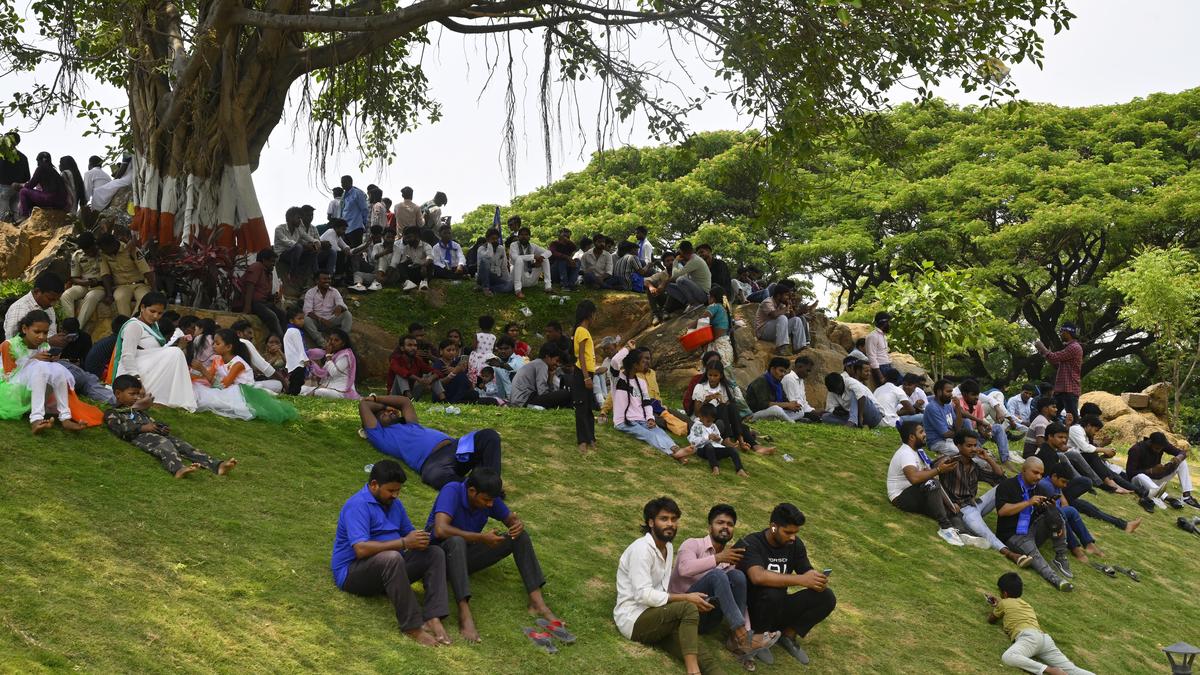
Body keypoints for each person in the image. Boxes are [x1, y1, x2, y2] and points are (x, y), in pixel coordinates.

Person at [426, 468, 559, 643]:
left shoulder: (489, 498)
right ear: (472, 491)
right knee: (456, 541)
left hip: (465, 556)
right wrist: (481, 538)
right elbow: (440, 529)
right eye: (486, 500)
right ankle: (464, 612)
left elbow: (510, 518)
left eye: (492, 501)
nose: (490, 505)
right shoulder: (452, 490)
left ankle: (536, 602)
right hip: (438, 560)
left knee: (519, 536)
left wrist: (517, 524)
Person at [330, 459, 451, 648]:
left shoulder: (395, 504)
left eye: (398, 490)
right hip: (353, 573)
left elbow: (408, 533)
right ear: (373, 485)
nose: (395, 495)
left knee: (434, 552)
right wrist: (404, 542)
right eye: (391, 490)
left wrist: (420, 539)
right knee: (392, 557)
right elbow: (360, 549)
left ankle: (433, 616)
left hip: (388, 570)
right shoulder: (358, 505)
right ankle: (412, 626)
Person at [614, 497, 724, 675]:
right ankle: (693, 671)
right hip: (633, 619)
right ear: (651, 522)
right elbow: (643, 595)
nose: (670, 524)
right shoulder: (641, 550)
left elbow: (662, 590)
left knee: (702, 655)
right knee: (687, 608)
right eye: (664, 519)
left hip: (658, 615)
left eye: (674, 519)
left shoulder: (668, 547)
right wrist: (686, 598)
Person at [669, 504, 780, 664]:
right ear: (709, 527)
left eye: (730, 524)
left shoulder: (730, 558)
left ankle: (740, 637)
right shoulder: (692, 544)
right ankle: (743, 638)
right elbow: (684, 569)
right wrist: (718, 558)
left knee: (737, 575)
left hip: (706, 621)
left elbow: (739, 599)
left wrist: (748, 627)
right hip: (681, 613)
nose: (725, 527)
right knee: (717, 574)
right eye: (720, 523)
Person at [736, 503, 836, 667]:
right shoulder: (753, 543)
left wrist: (816, 579)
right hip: (752, 611)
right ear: (773, 527)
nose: (792, 537)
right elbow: (757, 577)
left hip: (777, 606)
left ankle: (787, 636)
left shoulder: (794, 544)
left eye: (796, 532)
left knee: (826, 597)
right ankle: (758, 638)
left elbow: (806, 570)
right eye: (788, 532)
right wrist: (801, 580)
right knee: (772, 592)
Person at [358, 394, 503, 490]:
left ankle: (492, 484)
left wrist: (377, 398)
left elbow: (405, 402)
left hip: (456, 447)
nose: (389, 412)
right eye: (383, 414)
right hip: (433, 462)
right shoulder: (380, 436)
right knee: (433, 476)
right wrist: (384, 406)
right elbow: (364, 405)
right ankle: (480, 487)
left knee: (489, 436)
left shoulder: (410, 424)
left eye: (390, 411)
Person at [104, 375, 237, 478]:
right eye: (132, 394)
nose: (137, 397)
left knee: (184, 445)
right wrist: (143, 428)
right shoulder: (113, 413)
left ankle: (217, 465)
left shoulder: (139, 411)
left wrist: (160, 428)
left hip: (154, 434)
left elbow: (152, 422)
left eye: (138, 394)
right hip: (139, 437)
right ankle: (178, 469)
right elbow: (119, 430)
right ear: (118, 394)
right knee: (164, 444)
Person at [939, 430, 1033, 567]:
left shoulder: (974, 466)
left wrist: (988, 458)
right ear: (958, 446)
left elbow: (1000, 476)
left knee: (1003, 486)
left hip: (975, 504)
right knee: (986, 533)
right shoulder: (949, 461)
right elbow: (933, 471)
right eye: (969, 446)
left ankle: (1016, 525)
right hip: (963, 510)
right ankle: (1011, 554)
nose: (973, 449)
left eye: (975, 445)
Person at [0, 310, 99, 432]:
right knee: (40, 367)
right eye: (37, 332)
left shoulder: (44, 346)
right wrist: (32, 361)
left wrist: (51, 362)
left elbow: (47, 372)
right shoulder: (9, 345)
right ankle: (36, 419)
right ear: (25, 329)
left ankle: (65, 418)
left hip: (36, 387)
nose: (41, 336)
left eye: (45, 332)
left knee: (57, 368)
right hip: (11, 390)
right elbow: (8, 376)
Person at [886, 421, 975, 547]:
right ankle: (946, 528)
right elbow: (914, 478)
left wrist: (949, 502)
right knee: (931, 483)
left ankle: (964, 534)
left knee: (951, 508)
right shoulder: (905, 453)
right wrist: (939, 470)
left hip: (917, 493)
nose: (925, 434)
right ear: (912, 437)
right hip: (901, 497)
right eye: (921, 432)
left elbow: (931, 477)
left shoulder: (918, 452)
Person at [988, 573, 1094, 675]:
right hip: (1044, 639)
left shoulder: (1004, 603)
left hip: (1028, 637)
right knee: (1072, 670)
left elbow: (991, 620)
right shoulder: (1026, 604)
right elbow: (1012, 609)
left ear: (1005, 593)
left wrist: (997, 606)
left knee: (1008, 657)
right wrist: (1000, 605)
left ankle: (1049, 670)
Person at [994, 457, 1074, 591]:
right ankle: (1055, 579)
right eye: (1035, 473)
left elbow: (1046, 515)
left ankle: (1060, 557)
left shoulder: (1039, 488)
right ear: (1023, 470)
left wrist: (1052, 510)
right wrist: (1028, 502)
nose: (1038, 477)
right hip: (1013, 534)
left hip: (1032, 530)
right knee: (1034, 554)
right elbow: (1002, 511)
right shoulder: (1007, 485)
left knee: (1057, 518)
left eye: (1041, 474)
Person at [108, 293, 196, 411]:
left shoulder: (153, 325)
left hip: (147, 367)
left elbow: (156, 352)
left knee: (176, 353)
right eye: (152, 311)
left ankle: (173, 399)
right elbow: (127, 356)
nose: (155, 316)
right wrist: (138, 382)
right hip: (132, 371)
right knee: (175, 353)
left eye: (160, 313)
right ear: (142, 307)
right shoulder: (134, 326)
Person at [614, 348, 694, 461]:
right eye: (644, 360)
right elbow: (614, 362)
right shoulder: (617, 379)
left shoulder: (641, 382)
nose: (648, 362)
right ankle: (673, 454)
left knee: (659, 431)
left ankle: (676, 450)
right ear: (634, 363)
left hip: (642, 419)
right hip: (624, 422)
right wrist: (627, 348)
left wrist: (650, 418)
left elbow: (647, 403)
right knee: (649, 435)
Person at [1125, 431, 1199, 511]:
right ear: (1150, 442)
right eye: (1156, 448)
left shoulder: (1162, 444)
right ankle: (1168, 498)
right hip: (1140, 482)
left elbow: (1181, 453)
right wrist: (1151, 471)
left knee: (1182, 462)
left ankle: (1186, 496)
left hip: (1156, 478)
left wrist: (1178, 458)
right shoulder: (1136, 449)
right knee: (1140, 476)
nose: (1158, 450)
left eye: (1160, 449)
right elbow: (1130, 473)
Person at [1066, 414, 1134, 493]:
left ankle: (1113, 484)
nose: (1095, 433)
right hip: (1070, 457)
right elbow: (1085, 448)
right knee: (1092, 455)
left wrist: (1105, 454)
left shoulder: (1085, 435)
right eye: (1096, 430)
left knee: (1102, 463)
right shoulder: (1076, 429)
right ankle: (1111, 484)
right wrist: (1104, 450)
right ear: (1089, 425)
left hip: (1080, 458)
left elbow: (1088, 450)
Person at [98, 233, 154, 317]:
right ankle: (125, 324)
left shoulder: (131, 249)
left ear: (113, 244)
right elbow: (105, 274)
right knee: (120, 298)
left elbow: (146, 270)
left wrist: (154, 289)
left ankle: (133, 322)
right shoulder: (103, 254)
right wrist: (109, 294)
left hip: (140, 284)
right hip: (121, 286)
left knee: (144, 298)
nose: (103, 251)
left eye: (105, 249)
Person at [1034, 324, 1083, 421]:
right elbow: (1055, 363)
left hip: (1069, 390)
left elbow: (1054, 358)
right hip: (1062, 390)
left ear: (1067, 332)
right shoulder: (1069, 347)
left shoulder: (1074, 347)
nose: (1060, 334)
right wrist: (1044, 352)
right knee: (1051, 416)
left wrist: (1042, 347)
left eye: (1061, 332)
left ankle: (1075, 435)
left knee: (1072, 418)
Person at [956, 379, 1011, 464]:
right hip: (961, 441)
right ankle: (978, 452)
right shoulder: (958, 401)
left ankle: (1005, 459)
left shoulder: (977, 403)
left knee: (998, 427)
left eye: (977, 395)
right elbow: (962, 413)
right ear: (964, 395)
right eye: (973, 395)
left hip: (974, 440)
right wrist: (981, 421)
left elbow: (979, 427)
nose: (977, 397)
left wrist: (985, 433)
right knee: (966, 421)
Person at [59, 232, 107, 330]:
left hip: (100, 287)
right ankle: (69, 326)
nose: (90, 253)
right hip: (84, 285)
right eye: (87, 251)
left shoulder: (103, 252)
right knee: (66, 295)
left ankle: (78, 328)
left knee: (90, 297)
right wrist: (85, 283)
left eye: (91, 250)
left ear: (95, 244)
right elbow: (74, 277)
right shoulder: (77, 255)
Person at [654, 241, 711, 318]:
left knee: (680, 280)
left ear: (682, 252)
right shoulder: (690, 261)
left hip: (703, 295)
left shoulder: (695, 260)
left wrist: (675, 261)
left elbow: (675, 275)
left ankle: (695, 304)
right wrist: (664, 283)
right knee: (668, 286)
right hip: (696, 292)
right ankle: (688, 303)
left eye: (680, 252)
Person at [239, 248, 287, 339]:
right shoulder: (257, 266)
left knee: (283, 314)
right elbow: (250, 287)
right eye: (272, 261)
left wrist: (272, 297)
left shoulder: (268, 272)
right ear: (264, 260)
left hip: (262, 303)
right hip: (253, 303)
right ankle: (281, 343)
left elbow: (263, 293)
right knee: (272, 317)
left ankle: (284, 339)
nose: (274, 264)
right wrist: (247, 308)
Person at [688, 404, 747, 477]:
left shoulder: (713, 426)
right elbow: (693, 441)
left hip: (715, 450)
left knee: (732, 450)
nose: (710, 424)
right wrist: (707, 438)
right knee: (708, 446)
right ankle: (715, 467)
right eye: (708, 421)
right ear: (701, 416)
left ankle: (740, 469)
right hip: (702, 450)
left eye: (712, 421)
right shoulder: (696, 426)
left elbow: (719, 439)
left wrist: (718, 439)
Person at [229, 320, 286, 394]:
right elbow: (265, 368)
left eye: (277, 342)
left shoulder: (228, 345)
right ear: (239, 333)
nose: (252, 336)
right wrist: (286, 385)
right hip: (244, 387)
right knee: (278, 384)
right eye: (249, 333)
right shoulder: (244, 342)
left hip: (231, 386)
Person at [300, 329, 359, 399]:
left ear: (343, 343)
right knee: (301, 388)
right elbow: (324, 372)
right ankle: (305, 393)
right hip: (327, 387)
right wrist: (311, 363)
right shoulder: (333, 354)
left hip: (340, 391)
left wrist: (328, 355)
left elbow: (333, 372)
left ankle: (307, 394)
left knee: (319, 392)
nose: (332, 342)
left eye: (336, 340)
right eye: (331, 340)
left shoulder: (346, 356)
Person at [508, 343, 569, 409]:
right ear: (547, 357)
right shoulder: (542, 365)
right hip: (524, 400)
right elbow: (542, 391)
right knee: (565, 393)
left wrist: (550, 379)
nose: (557, 364)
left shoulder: (536, 363)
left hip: (519, 400)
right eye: (556, 360)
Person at [573, 300, 599, 453]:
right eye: (594, 314)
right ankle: (582, 440)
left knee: (589, 406)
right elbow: (581, 355)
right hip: (582, 373)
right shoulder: (581, 330)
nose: (596, 317)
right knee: (582, 406)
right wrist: (586, 377)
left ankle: (591, 438)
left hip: (589, 372)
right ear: (589, 314)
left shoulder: (585, 331)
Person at [754, 284, 807, 356]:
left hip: (774, 332)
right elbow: (774, 315)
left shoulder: (781, 305)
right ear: (779, 295)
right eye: (786, 295)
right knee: (782, 317)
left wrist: (791, 309)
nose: (788, 298)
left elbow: (791, 318)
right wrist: (787, 307)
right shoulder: (767, 302)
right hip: (763, 332)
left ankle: (799, 347)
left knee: (796, 320)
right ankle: (781, 348)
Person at [747, 357, 806, 422]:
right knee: (776, 409)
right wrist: (787, 404)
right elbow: (763, 404)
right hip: (755, 414)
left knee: (800, 412)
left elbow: (784, 401)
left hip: (773, 413)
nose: (783, 374)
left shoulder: (779, 384)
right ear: (772, 369)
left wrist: (792, 405)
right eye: (781, 371)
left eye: (784, 372)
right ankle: (790, 422)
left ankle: (781, 419)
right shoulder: (761, 381)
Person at [273, 206, 320, 286]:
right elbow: (288, 242)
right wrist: (305, 246)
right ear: (290, 218)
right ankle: (292, 274)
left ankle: (305, 276)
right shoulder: (279, 229)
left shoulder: (298, 230)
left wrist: (316, 242)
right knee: (299, 247)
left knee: (313, 251)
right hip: (282, 255)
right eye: (298, 218)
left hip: (295, 255)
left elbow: (308, 237)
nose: (300, 221)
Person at [302, 273, 352, 345]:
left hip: (331, 322)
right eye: (324, 279)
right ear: (317, 281)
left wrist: (340, 307)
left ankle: (342, 340)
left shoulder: (334, 291)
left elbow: (342, 304)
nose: (328, 281)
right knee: (306, 319)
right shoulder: (310, 293)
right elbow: (307, 311)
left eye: (329, 279)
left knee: (347, 314)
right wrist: (321, 319)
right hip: (317, 321)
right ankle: (322, 343)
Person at [15, 151, 69, 218]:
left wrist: (20, 185)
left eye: (38, 161)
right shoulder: (54, 171)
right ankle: (31, 216)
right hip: (61, 202)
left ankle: (24, 216)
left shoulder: (41, 168)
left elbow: (30, 185)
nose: (37, 163)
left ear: (41, 160)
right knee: (31, 196)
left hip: (51, 199)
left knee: (23, 191)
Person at [506, 226, 551, 299]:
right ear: (518, 236)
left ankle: (548, 287)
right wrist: (533, 256)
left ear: (529, 237)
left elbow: (549, 252)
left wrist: (541, 258)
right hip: (519, 278)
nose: (524, 237)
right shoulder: (513, 245)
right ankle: (518, 290)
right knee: (519, 259)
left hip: (531, 279)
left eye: (526, 235)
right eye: (522, 235)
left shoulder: (533, 246)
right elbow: (515, 257)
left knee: (545, 259)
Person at [388, 334, 438, 399]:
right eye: (409, 345)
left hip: (413, 394)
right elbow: (402, 372)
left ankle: (443, 400)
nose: (413, 348)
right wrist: (419, 379)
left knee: (433, 374)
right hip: (395, 396)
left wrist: (430, 378)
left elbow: (436, 371)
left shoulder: (417, 360)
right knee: (400, 375)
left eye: (415, 345)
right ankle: (409, 398)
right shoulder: (395, 360)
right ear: (402, 348)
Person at [923, 379, 963, 456]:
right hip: (937, 442)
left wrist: (958, 407)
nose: (951, 394)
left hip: (951, 439)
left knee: (968, 449)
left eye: (951, 391)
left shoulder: (948, 405)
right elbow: (945, 434)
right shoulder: (932, 407)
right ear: (939, 392)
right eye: (948, 391)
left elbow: (957, 427)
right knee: (958, 451)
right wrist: (960, 435)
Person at [431, 339, 475, 404]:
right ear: (441, 351)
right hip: (444, 394)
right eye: (448, 350)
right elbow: (437, 384)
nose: (451, 352)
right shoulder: (438, 364)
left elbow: (467, 383)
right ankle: (454, 401)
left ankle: (459, 400)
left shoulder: (456, 362)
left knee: (474, 394)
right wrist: (453, 373)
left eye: (453, 350)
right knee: (460, 375)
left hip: (457, 392)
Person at [780, 355, 823, 422]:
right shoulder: (789, 379)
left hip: (801, 411)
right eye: (807, 370)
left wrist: (813, 411)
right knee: (813, 418)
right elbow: (792, 403)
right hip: (791, 411)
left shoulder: (801, 380)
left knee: (820, 416)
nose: (808, 374)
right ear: (799, 366)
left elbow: (804, 403)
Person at [391, 226, 435, 291]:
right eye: (406, 238)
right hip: (413, 270)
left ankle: (424, 282)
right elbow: (403, 262)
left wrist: (424, 265)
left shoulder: (426, 245)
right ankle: (408, 282)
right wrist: (408, 261)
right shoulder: (406, 247)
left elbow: (430, 257)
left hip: (423, 271)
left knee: (430, 264)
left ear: (417, 236)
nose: (407, 240)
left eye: (409, 237)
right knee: (400, 265)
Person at [0, 132, 31, 221]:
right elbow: (27, 177)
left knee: (3, 217)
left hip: (3, 188)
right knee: (16, 215)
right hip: (17, 189)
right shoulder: (23, 157)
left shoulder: (2, 155)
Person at [475, 228, 513, 296]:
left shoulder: (501, 248)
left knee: (510, 286)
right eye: (493, 239)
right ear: (487, 239)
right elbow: (488, 256)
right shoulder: (481, 249)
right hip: (483, 277)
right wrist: (490, 245)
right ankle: (486, 288)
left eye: (496, 239)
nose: (495, 241)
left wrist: (507, 281)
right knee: (484, 260)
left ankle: (488, 288)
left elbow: (504, 266)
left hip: (495, 277)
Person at [336, 175, 368, 246]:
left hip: (355, 227)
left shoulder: (357, 193)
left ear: (350, 182)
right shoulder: (343, 196)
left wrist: (365, 224)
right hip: (345, 229)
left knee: (356, 252)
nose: (342, 185)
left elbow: (364, 209)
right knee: (347, 253)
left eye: (344, 182)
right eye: (341, 183)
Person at [865, 311, 893, 386]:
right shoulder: (872, 336)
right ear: (884, 323)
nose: (890, 324)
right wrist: (880, 376)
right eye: (888, 322)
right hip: (881, 368)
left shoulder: (883, 336)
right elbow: (871, 357)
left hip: (888, 366)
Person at [467, 315, 497, 385]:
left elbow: (474, 347)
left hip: (477, 357)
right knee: (487, 374)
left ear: (480, 325)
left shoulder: (477, 335)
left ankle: (475, 387)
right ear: (492, 325)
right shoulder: (494, 337)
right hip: (489, 357)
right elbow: (493, 349)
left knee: (476, 373)